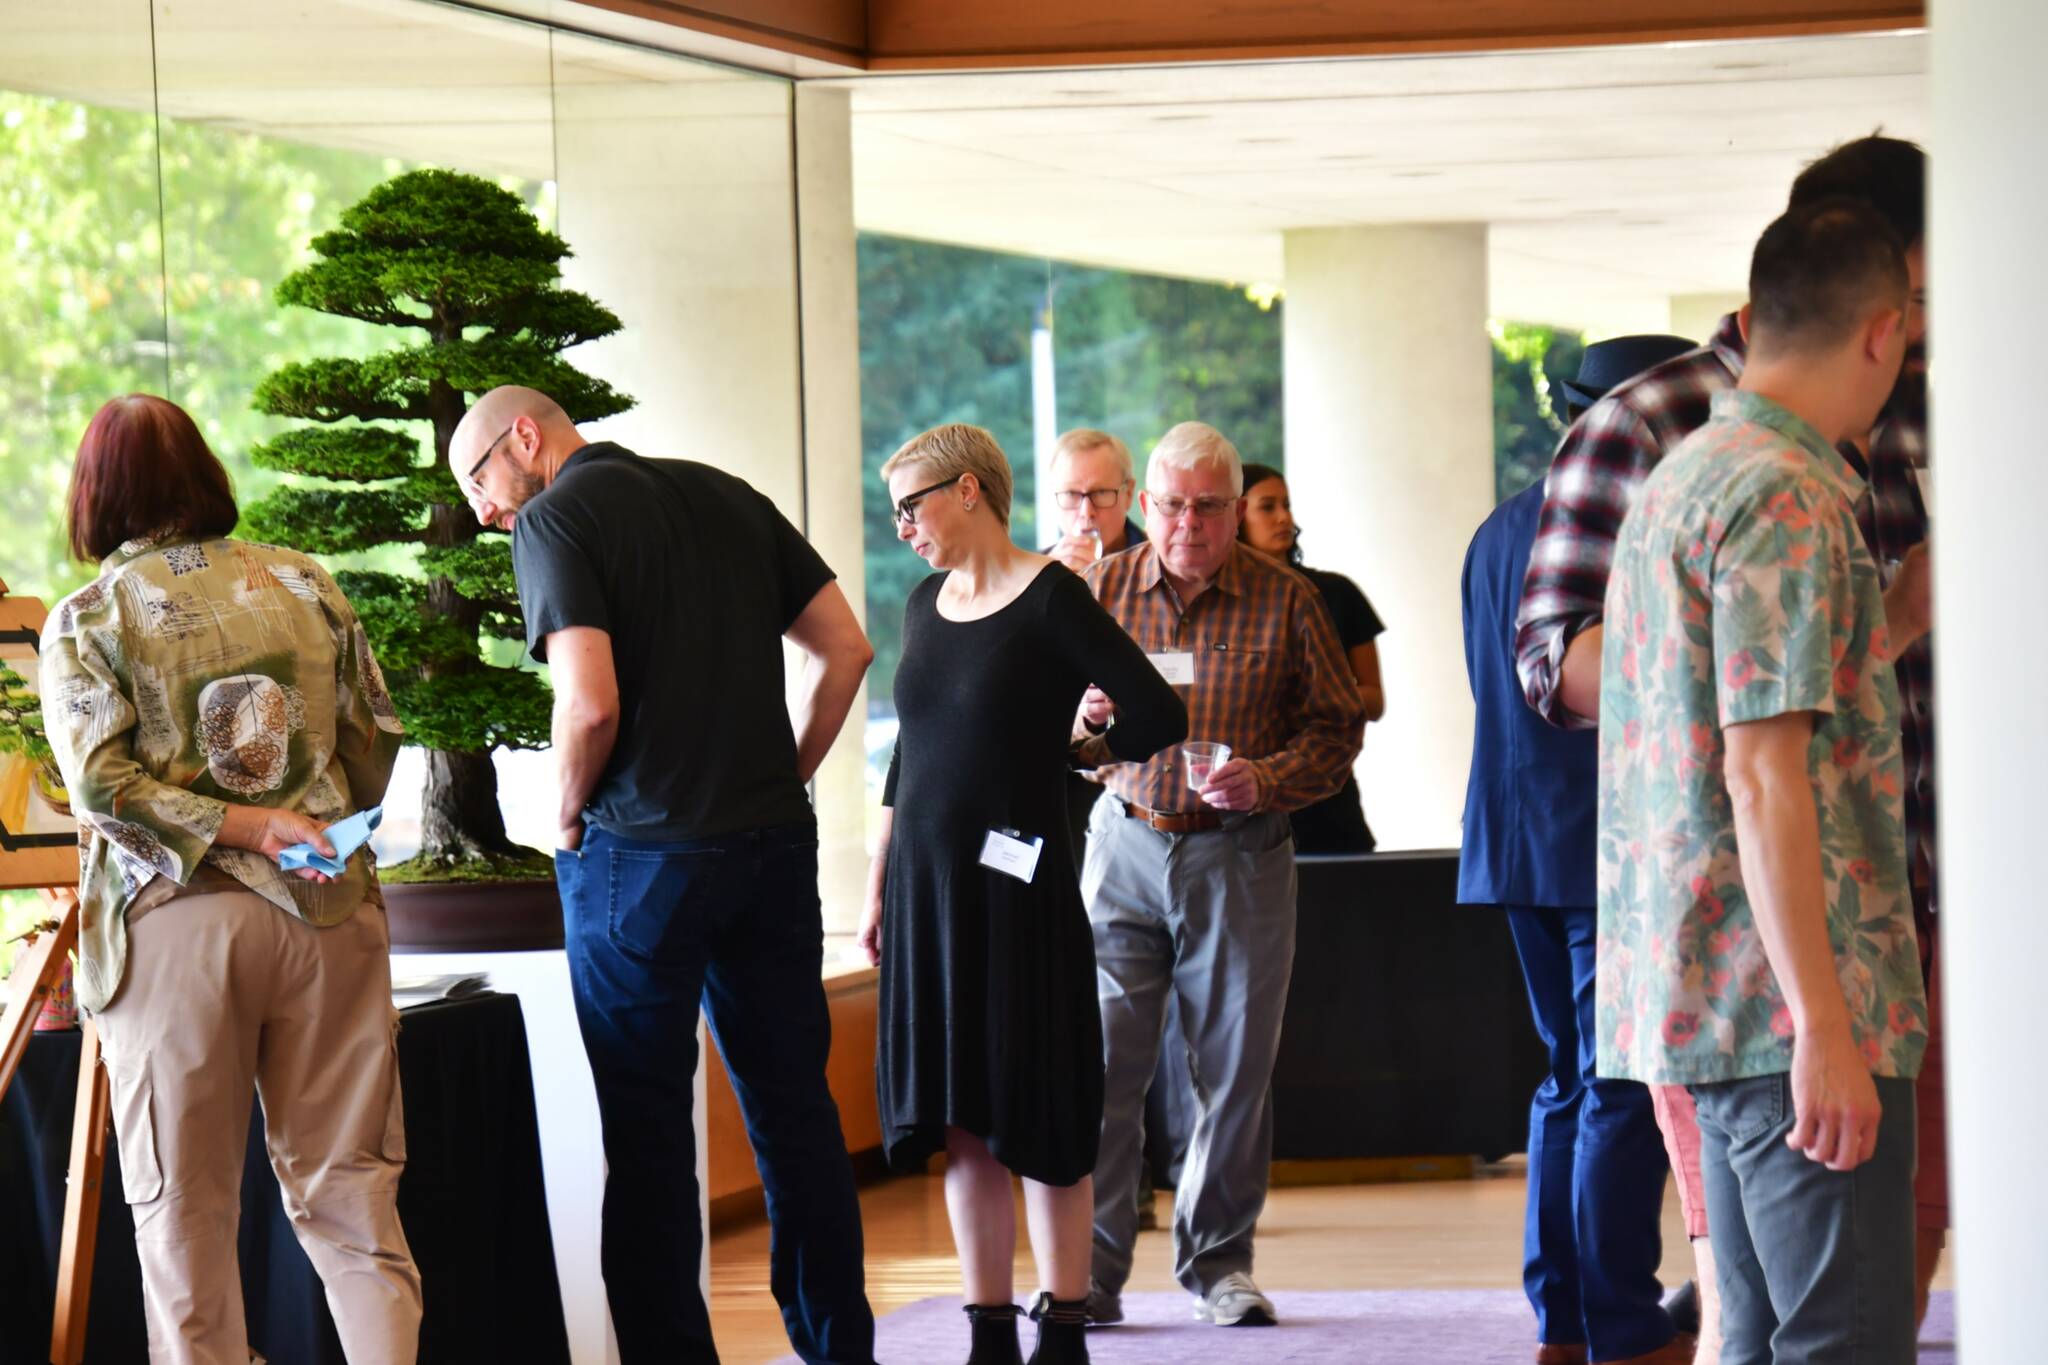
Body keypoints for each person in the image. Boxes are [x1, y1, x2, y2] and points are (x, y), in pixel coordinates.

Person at [1514, 135, 1942, 1357]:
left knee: (1757, 1340)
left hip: (1703, 989)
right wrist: (1823, 1024)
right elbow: (1761, 777)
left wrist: (1901, 606)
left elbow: (1719, 722)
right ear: (1880, 330)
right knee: (1838, 1342)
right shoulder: (1788, 496)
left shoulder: (1694, 473)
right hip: (1786, 997)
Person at [452, 386, 878, 1365]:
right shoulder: (727, 495)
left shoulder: (556, 517)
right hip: (771, 845)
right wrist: (789, 772)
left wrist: (563, 816)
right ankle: (839, 1352)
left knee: (646, 1137)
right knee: (796, 1117)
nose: (481, 509)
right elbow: (846, 651)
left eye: (478, 478)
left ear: (526, 436)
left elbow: (588, 706)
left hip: (639, 861)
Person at [40, 394, 421, 1364]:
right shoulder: (306, 581)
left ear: (94, 496)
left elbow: (98, 783)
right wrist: (313, 822)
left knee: (185, 1216)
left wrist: (235, 824)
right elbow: (375, 734)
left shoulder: (89, 616)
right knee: (352, 1199)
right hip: (327, 910)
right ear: (203, 476)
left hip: (176, 926)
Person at [861, 424, 1186, 1365]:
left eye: (911, 507)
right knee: (961, 1115)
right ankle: (989, 1328)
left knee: (1041, 1105)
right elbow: (907, 760)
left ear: (968, 491)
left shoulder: (1052, 599)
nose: (903, 530)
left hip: (1020, 892)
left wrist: (1080, 756)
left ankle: (1066, 1325)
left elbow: (1159, 710)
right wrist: (879, 886)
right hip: (930, 892)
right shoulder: (925, 604)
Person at [1077, 422, 1365, 1330]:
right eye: (1168, 505)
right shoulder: (1097, 589)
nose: (1185, 525)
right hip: (1123, 839)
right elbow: (1045, 729)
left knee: (1231, 1070)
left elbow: (1338, 730)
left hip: (1241, 853)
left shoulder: (1288, 600)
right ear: (1144, 503)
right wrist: (1078, 722)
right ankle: (1089, 1272)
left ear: (1237, 510)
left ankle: (1219, 1265)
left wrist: (1266, 779)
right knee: (1105, 1064)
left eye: (1206, 508)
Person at [1459, 337, 1696, 1365]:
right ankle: (1620, 1323)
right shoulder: (1629, 523)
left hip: (1513, 841)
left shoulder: (1494, 531)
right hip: (1607, 844)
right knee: (1616, 1087)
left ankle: (1563, 1318)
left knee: (1566, 1081)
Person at [1236, 462, 1387, 852]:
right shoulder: (1224, 603)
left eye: (1286, 505)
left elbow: (1374, 700)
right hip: (1245, 801)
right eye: (1267, 507)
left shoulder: (1336, 593)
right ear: (1237, 515)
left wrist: (1309, 697)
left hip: (1326, 792)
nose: (1284, 517)